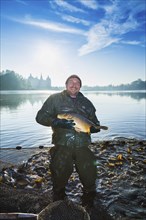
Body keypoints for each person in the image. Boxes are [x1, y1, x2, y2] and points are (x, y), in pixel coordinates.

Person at [36, 75, 100, 207]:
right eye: (71, 82)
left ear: (80, 86)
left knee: (89, 173)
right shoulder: (54, 99)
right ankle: (59, 196)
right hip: (62, 144)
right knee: (59, 172)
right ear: (66, 85)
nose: (74, 84)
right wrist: (56, 122)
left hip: (83, 145)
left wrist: (94, 128)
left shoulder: (87, 103)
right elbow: (40, 117)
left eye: (77, 83)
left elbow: (95, 122)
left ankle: (89, 196)